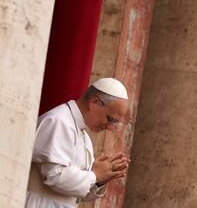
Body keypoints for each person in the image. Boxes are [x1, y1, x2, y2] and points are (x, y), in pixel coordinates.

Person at [25, 78, 130, 208]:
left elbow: (78, 194)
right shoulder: (59, 121)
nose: (109, 127)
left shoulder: (85, 138)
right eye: (110, 119)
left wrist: (100, 179)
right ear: (94, 102)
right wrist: (95, 175)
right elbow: (54, 176)